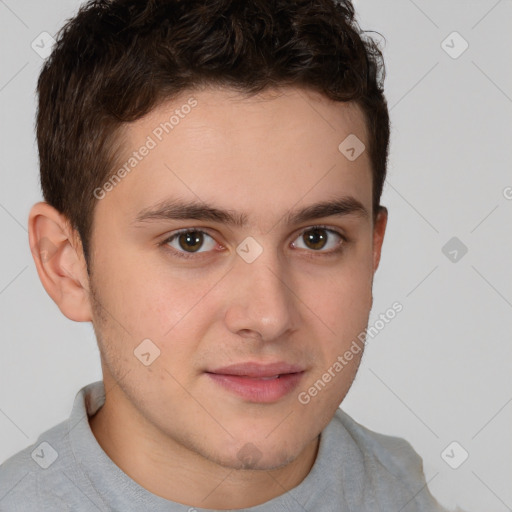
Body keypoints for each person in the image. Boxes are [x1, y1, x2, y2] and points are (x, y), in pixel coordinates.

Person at [0, 0, 454, 510]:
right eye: (191, 240)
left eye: (316, 237)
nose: (268, 316)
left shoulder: (408, 492)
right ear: (67, 266)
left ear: (373, 249)